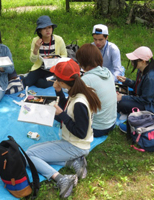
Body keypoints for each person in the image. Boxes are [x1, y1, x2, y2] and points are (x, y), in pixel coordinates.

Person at [26, 59, 101, 198]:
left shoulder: (79, 102)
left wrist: (61, 115)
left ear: (61, 80)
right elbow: (68, 106)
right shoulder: (80, 90)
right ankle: (73, 162)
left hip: (75, 145)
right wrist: (58, 91)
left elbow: (80, 132)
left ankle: (62, 179)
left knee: (29, 155)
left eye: (56, 78)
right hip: (75, 144)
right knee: (31, 152)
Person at [76, 44, 117, 137]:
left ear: (82, 62)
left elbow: (71, 93)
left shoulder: (87, 79)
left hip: (97, 128)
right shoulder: (107, 72)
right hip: (111, 123)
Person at [117, 46, 154, 132]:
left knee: (121, 103)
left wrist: (123, 97)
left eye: (134, 60)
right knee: (119, 92)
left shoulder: (151, 78)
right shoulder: (141, 69)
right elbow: (139, 86)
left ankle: (132, 115)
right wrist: (127, 81)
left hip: (149, 106)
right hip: (141, 97)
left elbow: (145, 100)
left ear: (143, 61)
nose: (132, 62)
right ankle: (130, 111)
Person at [22, 15, 67, 88]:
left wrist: (57, 60)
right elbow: (33, 60)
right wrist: (36, 49)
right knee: (26, 82)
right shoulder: (35, 41)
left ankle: (42, 81)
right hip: (40, 68)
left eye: (49, 27)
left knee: (42, 84)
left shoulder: (58, 40)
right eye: (44, 28)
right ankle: (38, 80)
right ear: (39, 30)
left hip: (53, 69)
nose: (48, 30)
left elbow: (64, 55)